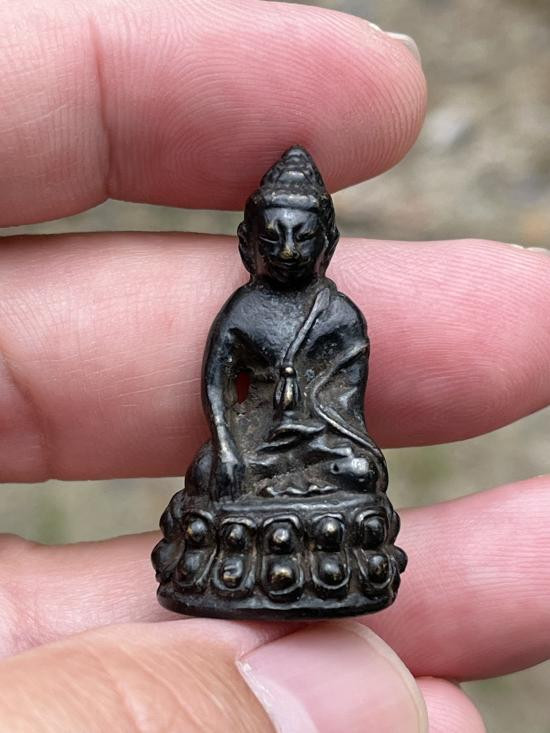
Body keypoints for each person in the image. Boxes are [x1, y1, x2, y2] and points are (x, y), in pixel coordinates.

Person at [0, 1, 548, 731]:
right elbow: (217, 392)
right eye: (274, 236)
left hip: (314, 444)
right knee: (209, 474)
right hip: (253, 451)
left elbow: (345, 402)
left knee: (358, 473)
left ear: (326, 243)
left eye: (302, 236)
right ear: (248, 242)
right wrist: (232, 450)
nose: (288, 249)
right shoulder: (243, 311)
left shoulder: (339, 314)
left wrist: (317, 430)